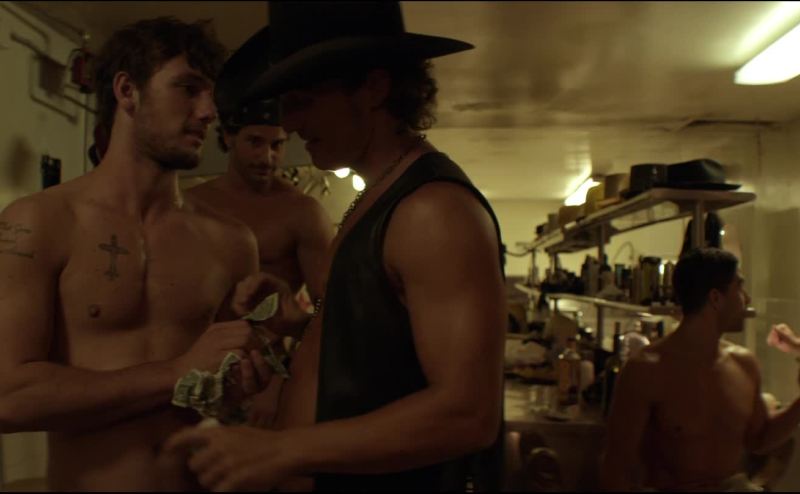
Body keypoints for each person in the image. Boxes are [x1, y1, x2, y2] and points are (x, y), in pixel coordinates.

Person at [164, 2, 507, 491]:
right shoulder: (380, 195)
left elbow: (468, 413)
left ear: (374, 87)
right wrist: (301, 321)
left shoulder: (433, 211)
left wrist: (278, 450)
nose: (289, 122)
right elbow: (387, 350)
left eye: (303, 100)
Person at [0, 17, 272, 491]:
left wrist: (246, 385)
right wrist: (174, 373)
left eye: (212, 96)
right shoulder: (41, 222)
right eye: (188, 89)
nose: (209, 112)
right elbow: (8, 398)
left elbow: (226, 400)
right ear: (127, 91)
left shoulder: (231, 242)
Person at [599, 248, 800, 492]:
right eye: (739, 288)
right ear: (715, 298)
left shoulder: (744, 364)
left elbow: (759, 439)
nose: (746, 299)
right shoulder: (646, 370)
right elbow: (616, 469)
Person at [186, 26, 335, 304]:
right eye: (255, 142)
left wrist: (294, 321)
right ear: (229, 137)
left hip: (267, 331)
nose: (267, 157)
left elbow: (330, 309)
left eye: (277, 144)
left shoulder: (303, 213)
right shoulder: (192, 203)